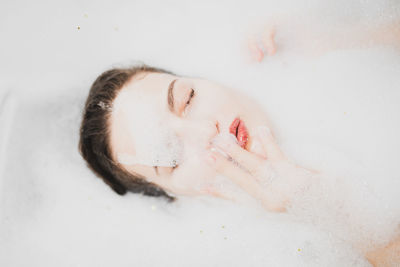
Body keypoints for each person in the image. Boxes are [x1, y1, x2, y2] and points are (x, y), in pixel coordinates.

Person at [79, 20, 400, 266]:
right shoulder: (245, 250)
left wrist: (346, 34)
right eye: (172, 156)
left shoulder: (317, 58)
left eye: (188, 98)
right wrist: (329, 213)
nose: (205, 130)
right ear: (177, 195)